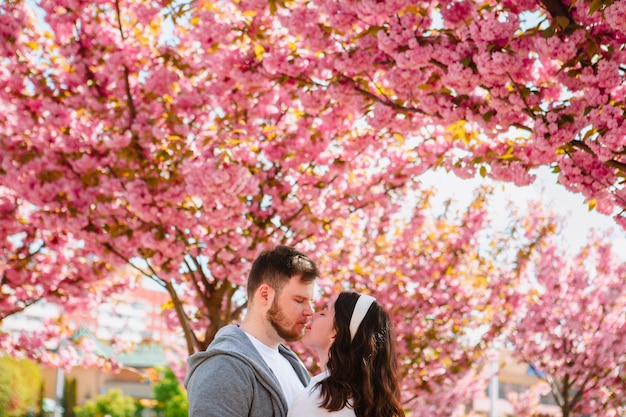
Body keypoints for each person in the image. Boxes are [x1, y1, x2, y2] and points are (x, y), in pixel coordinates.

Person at [184, 245, 320, 417]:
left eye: (311, 301)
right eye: (299, 300)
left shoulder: (293, 364)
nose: (310, 311)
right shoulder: (223, 368)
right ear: (265, 295)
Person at [288, 291, 405, 417]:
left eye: (323, 313)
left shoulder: (318, 401)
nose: (312, 315)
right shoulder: (370, 404)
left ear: (336, 333)